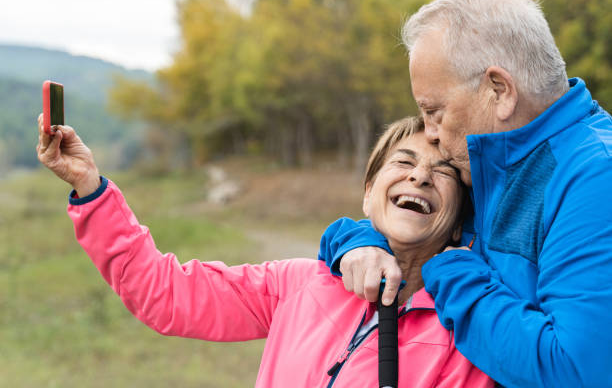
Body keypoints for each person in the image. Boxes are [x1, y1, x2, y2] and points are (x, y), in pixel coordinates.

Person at [36, 115, 493, 387]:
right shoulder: (295, 284)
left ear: (459, 220)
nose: (420, 177)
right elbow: (165, 294)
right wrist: (89, 188)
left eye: (445, 172)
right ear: (368, 193)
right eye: (404, 162)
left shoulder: (468, 330)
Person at [318, 0, 612, 387]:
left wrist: (450, 268)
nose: (431, 133)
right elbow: (409, 228)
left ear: (499, 92)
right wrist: (360, 240)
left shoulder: (596, 176)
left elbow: (578, 372)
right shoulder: (491, 166)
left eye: (433, 111)